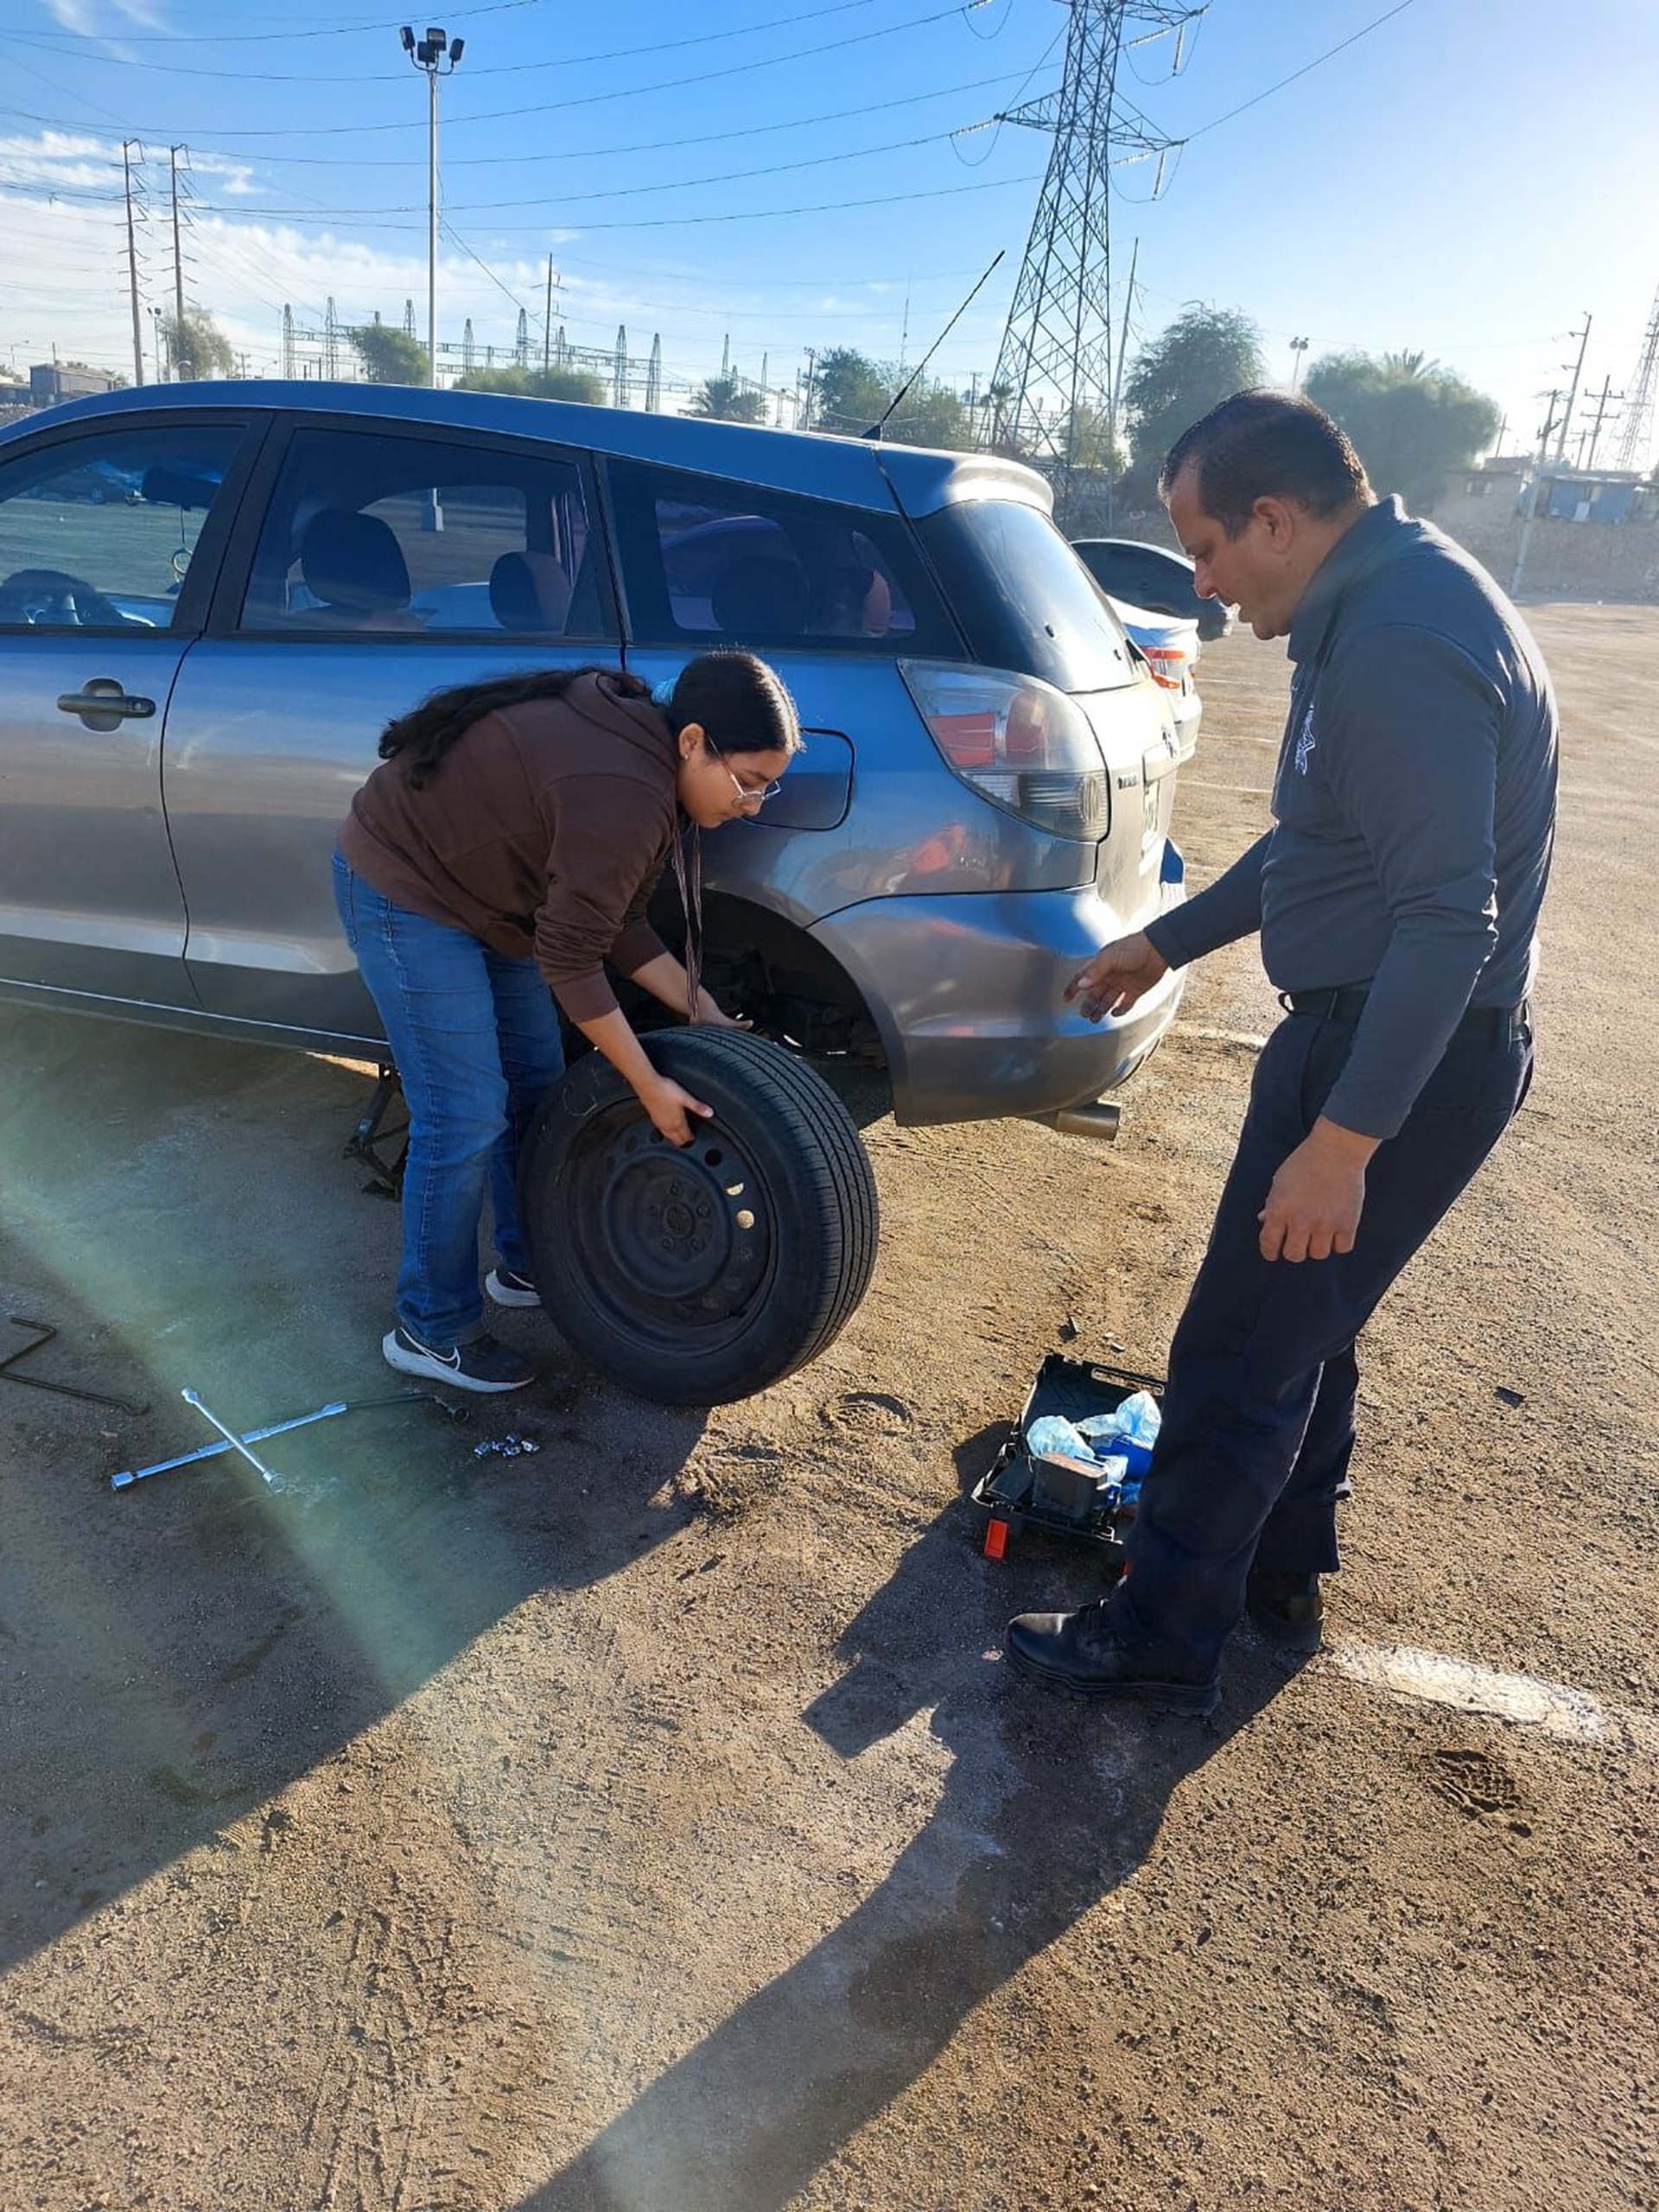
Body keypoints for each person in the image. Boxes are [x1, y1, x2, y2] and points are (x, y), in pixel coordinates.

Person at [1007, 390, 1559, 1714]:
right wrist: (1169, 941)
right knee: (1310, 1328)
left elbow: (1445, 916)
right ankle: (1275, 1574)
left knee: (1240, 1354)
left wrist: (1346, 1140)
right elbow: (1320, 843)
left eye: (1205, 549)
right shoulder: (1364, 606)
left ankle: (1158, 1638)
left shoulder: (1403, 640)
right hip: (1386, 1031)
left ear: (1276, 516)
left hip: (1392, 1048)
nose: (1199, 586)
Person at [333, 652, 803, 1394]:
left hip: (498, 899)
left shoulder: (656, 778)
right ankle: (431, 1328)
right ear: (692, 742)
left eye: (768, 787)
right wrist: (647, 1083)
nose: (753, 804)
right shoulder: (623, 790)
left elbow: (612, 926)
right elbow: (574, 961)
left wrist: (700, 1008)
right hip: (409, 888)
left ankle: (529, 1263)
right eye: (747, 781)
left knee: (535, 1089)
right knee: (463, 1115)